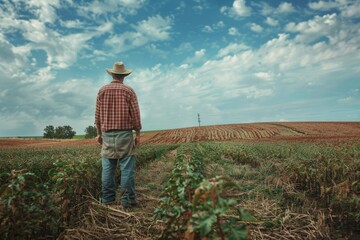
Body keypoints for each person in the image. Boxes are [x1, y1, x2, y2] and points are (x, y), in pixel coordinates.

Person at [95, 61, 142, 208]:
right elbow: (135, 115)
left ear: (112, 74)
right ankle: (127, 201)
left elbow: (97, 116)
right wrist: (138, 133)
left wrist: (98, 134)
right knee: (127, 169)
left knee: (107, 169)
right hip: (125, 135)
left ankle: (107, 200)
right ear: (123, 76)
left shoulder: (102, 90)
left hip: (107, 135)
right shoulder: (129, 91)